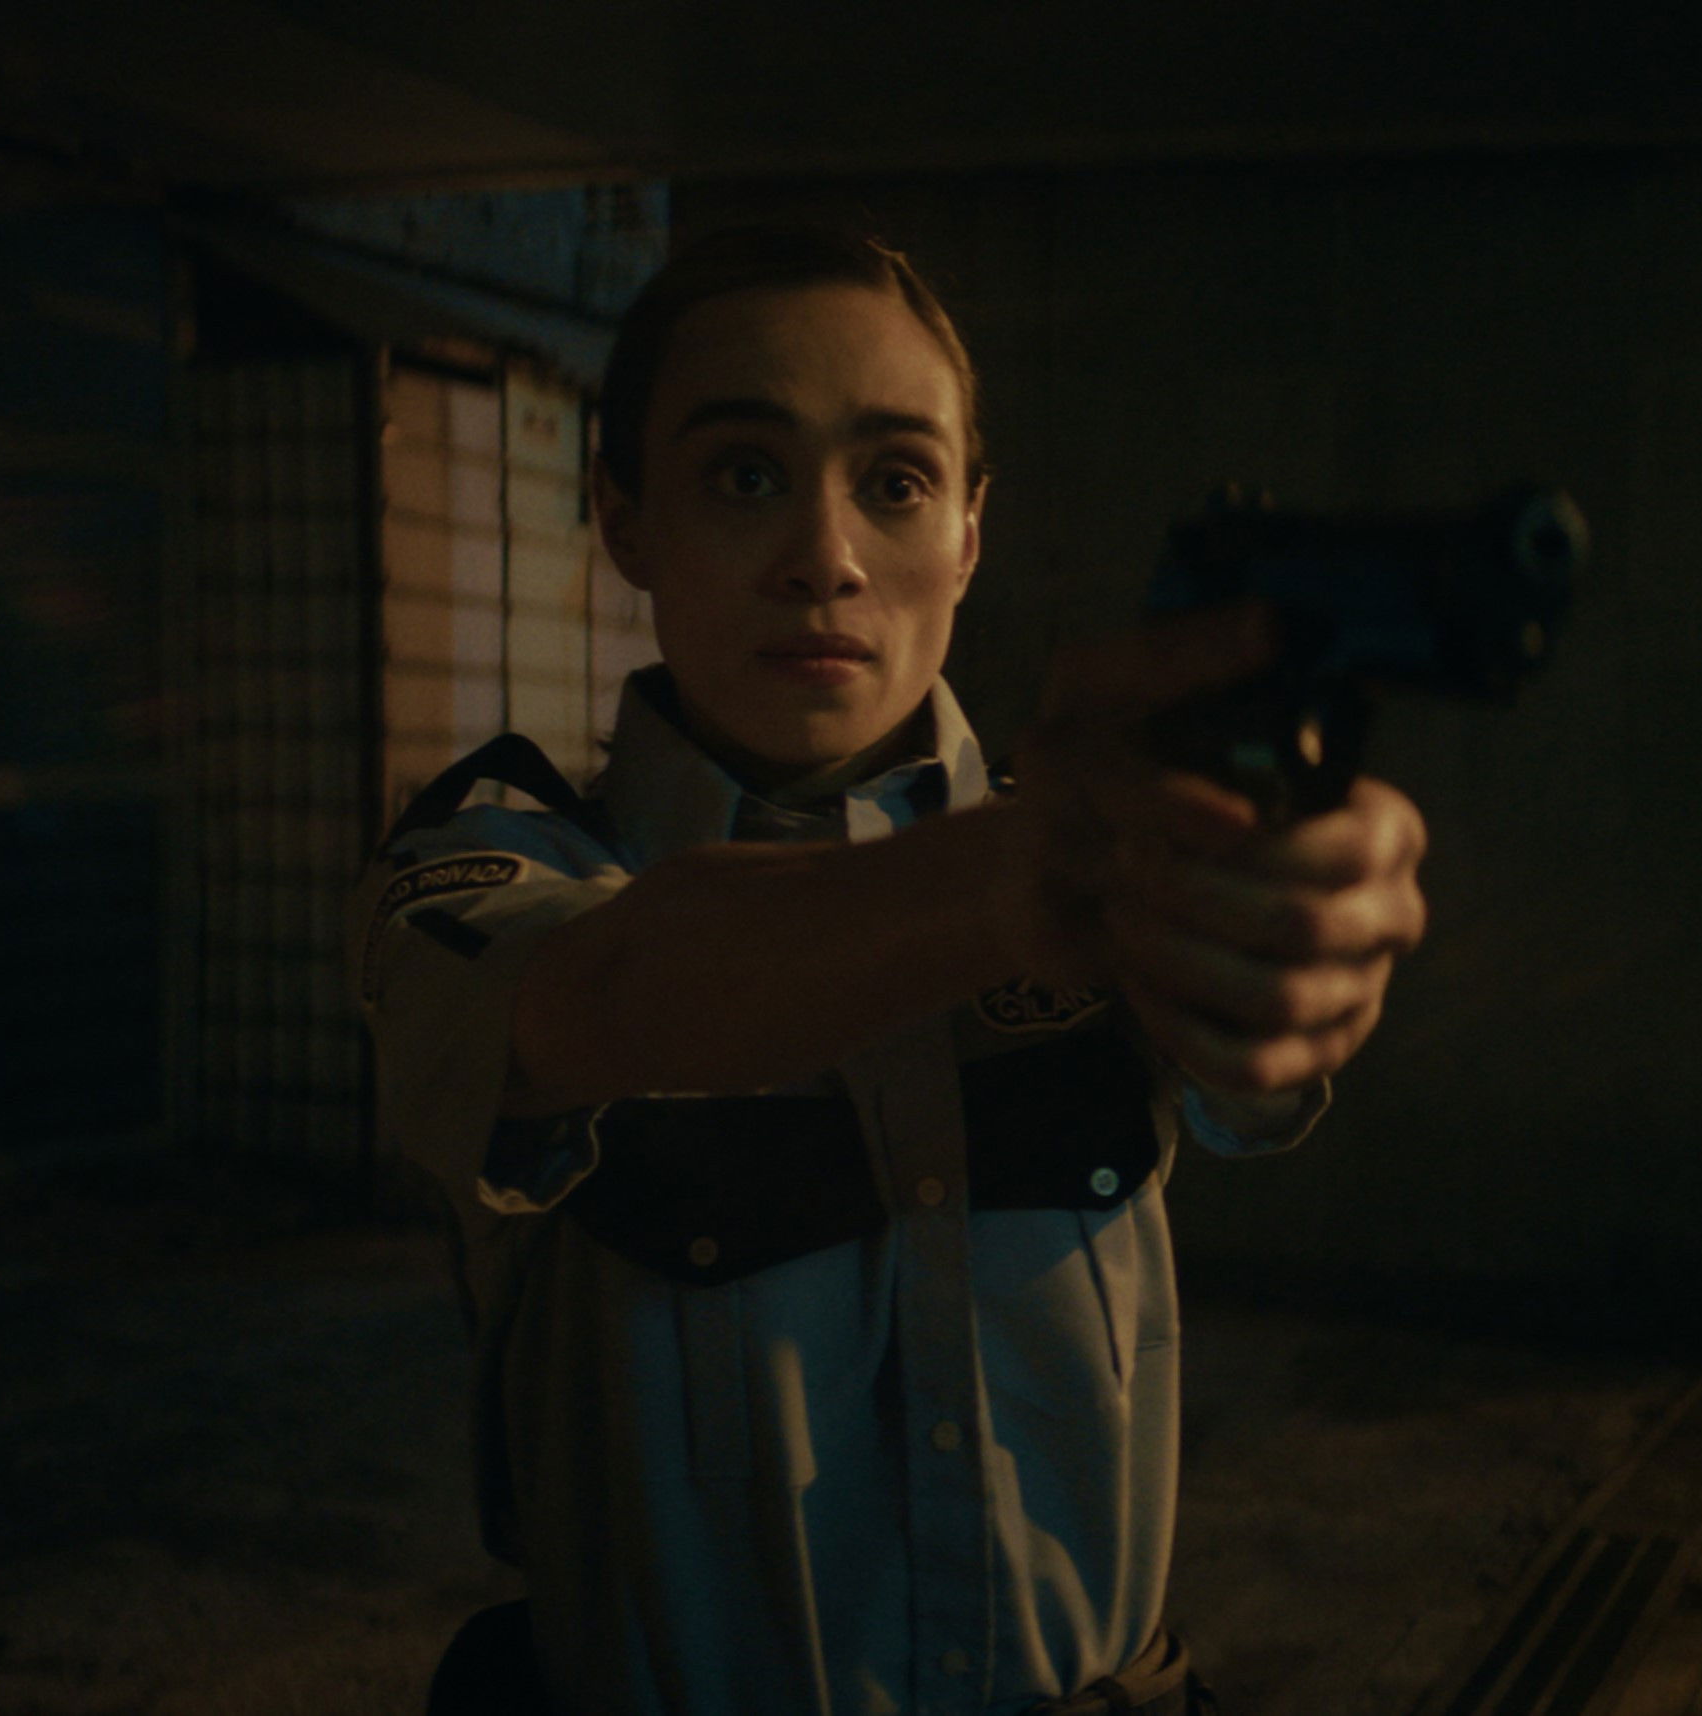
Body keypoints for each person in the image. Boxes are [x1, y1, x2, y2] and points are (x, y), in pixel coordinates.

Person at [350, 226, 1430, 1716]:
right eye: (745, 475)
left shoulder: (1103, 849)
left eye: (899, 481)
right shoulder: (496, 861)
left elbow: (1261, 1063)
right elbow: (609, 993)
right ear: (622, 517)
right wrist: (1034, 877)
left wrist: (1295, 921)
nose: (827, 558)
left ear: (971, 533)